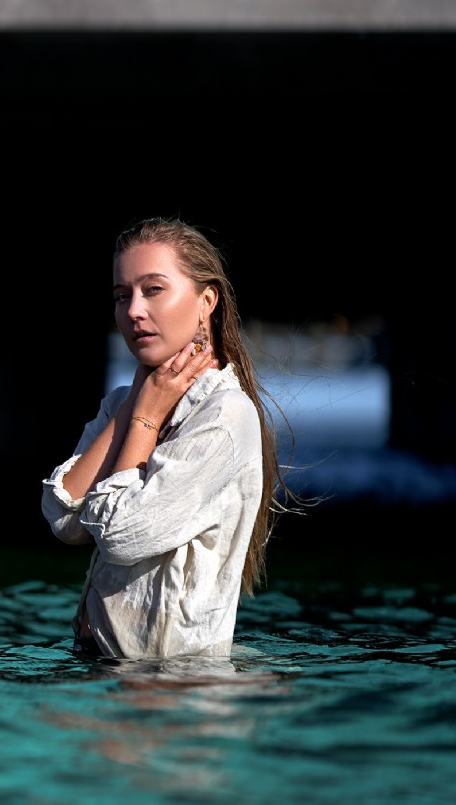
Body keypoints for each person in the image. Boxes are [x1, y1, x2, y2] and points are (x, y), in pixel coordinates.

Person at [41, 216, 290, 660]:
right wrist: (137, 402)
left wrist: (146, 418)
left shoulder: (224, 415)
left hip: (175, 681)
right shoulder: (123, 403)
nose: (133, 311)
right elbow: (65, 521)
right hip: (98, 667)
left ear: (206, 301)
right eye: (122, 296)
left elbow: (118, 536)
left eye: (153, 289)